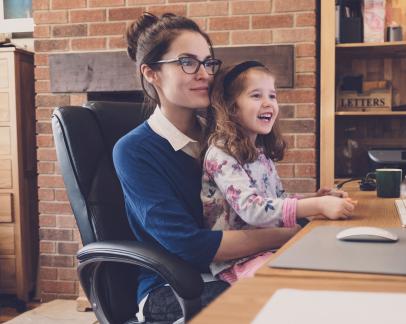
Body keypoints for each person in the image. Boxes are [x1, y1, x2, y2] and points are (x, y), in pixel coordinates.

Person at [113, 13, 301, 322]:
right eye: (188, 62)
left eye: (208, 62)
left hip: (235, 267)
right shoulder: (134, 151)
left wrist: (305, 208)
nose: (205, 74)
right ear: (151, 73)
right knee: (284, 301)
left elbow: (255, 198)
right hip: (175, 289)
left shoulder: (223, 137)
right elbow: (191, 245)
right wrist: (291, 233)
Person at [201, 61, 356, 283]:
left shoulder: (259, 152)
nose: (268, 103)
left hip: (270, 247)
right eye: (256, 96)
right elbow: (252, 209)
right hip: (240, 260)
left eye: (272, 96)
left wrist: (317, 198)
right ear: (232, 108)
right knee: (290, 284)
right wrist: (317, 206)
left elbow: (276, 200)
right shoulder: (221, 153)